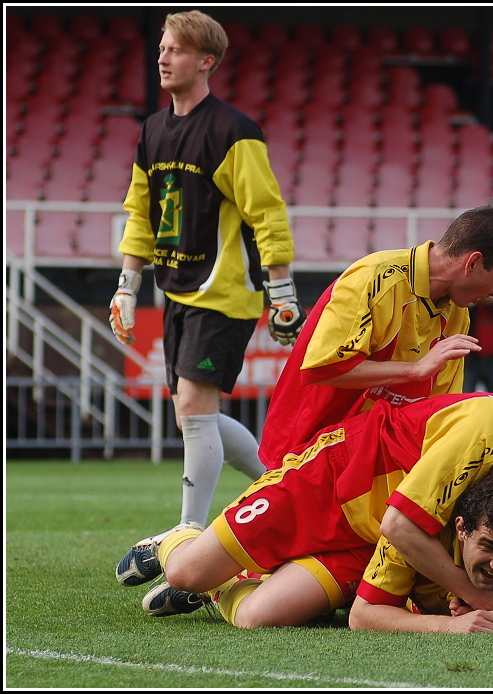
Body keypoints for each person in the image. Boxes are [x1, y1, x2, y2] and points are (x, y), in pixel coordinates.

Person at [118, 388, 493, 628]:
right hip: (332, 483)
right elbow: (403, 522)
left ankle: (228, 585)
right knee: (186, 571)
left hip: (379, 543)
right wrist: (471, 594)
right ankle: (177, 540)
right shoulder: (492, 426)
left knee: (261, 618)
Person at [112, 10, 305, 587]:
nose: (163, 57)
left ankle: (188, 535)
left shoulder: (234, 131)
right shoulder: (152, 130)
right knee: (193, 413)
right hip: (176, 289)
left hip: (223, 290)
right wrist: (127, 284)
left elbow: (265, 211)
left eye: (175, 49)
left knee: (195, 408)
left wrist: (281, 288)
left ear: (206, 61)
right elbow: (139, 212)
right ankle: (280, 486)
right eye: (162, 48)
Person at [257, 200, 493, 469]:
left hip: (368, 463)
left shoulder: (459, 314)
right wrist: (414, 370)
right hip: (302, 455)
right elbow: (322, 368)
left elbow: (436, 410)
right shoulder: (374, 277)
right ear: (473, 262)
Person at [349, 466, 493, 633]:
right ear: (461, 528)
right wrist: (449, 625)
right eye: (488, 546)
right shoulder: (410, 540)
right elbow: (360, 616)